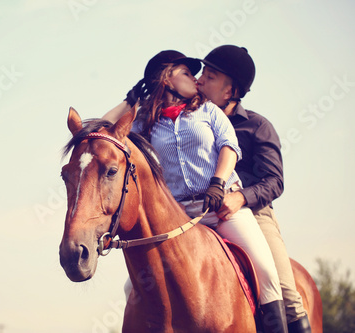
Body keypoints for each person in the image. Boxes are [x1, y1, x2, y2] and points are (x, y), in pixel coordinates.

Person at [103, 50, 288, 333]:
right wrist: (130, 101)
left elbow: (230, 147)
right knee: (134, 287)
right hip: (178, 217)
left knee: (266, 271)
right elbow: (104, 134)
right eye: (188, 73)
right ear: (166, 78)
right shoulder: (144, 124)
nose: (197, 79)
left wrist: (218, 182)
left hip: (221, 208)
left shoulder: (208, 111)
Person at [196, 45, 311, 333]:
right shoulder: (192, 123)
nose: (199, 81)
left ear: (229, 91)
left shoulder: (258, 127)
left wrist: (240, 197)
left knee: (285, 292)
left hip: (254, 213)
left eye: (209, 77)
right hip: (199, 211)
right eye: (201, 74)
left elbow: (275, 181)